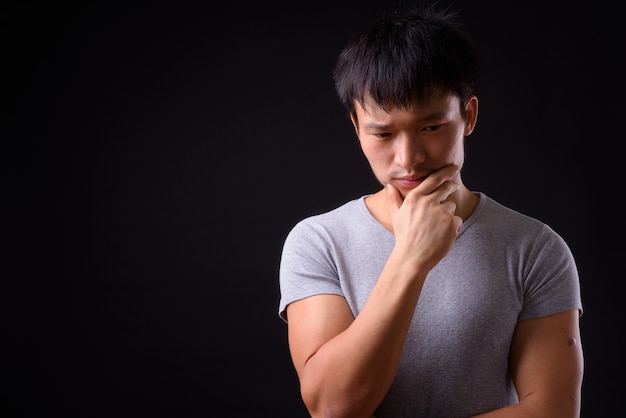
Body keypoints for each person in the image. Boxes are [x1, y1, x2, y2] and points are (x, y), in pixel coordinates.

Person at [277, 3, 584, 418]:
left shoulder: (534, 248)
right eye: (383, 133)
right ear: (356, 128)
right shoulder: (319, 241)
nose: (408, 158)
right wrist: (410, 259)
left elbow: (552, 411)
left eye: (431, 127)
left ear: (468, 116)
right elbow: (333, 407)